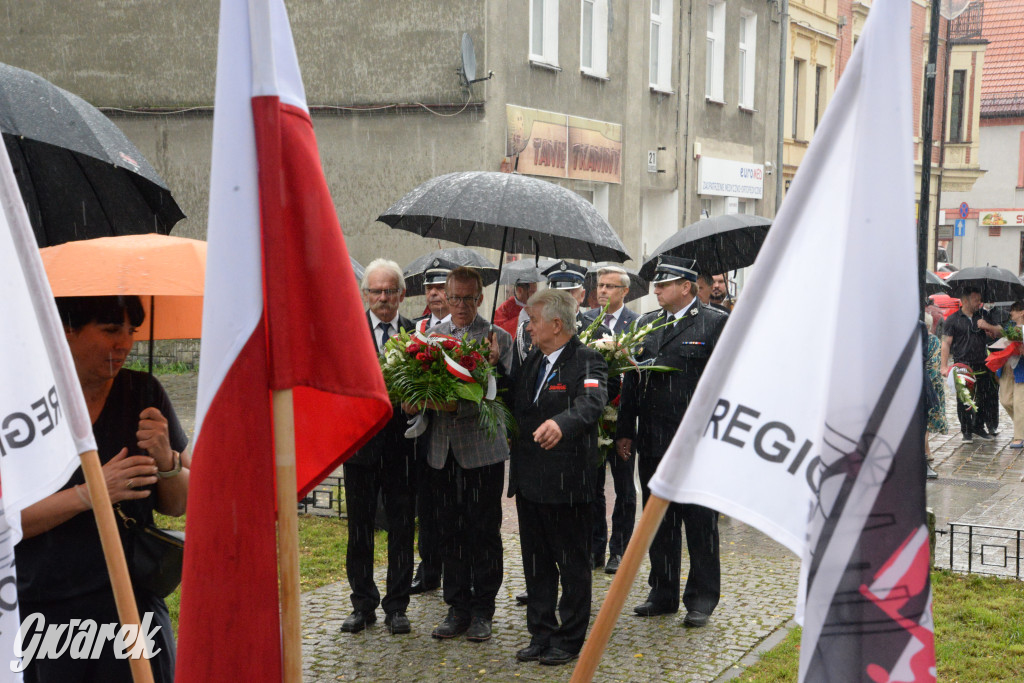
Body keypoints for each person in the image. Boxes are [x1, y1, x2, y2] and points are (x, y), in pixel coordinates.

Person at [17, 295, 189, 683]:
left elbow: (178, 505)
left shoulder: (144, 392)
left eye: (132, 331)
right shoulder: (23, 402)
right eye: (111, 330)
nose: (124, 343)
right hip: (49, 609)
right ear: (68, 329)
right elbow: (11, 522)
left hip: (133, 601)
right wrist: (93, 492)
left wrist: (167, 461)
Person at [615, 255, 727, 628]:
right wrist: (625, 430)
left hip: (696, 443)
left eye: (664, 285)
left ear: (686, 287)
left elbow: (727, 383)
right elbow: (633, 379)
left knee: (699, 522)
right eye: (656, 285)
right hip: (654, 438)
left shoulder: (714, 324)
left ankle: (702, 597)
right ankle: (662, 592)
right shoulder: (647, 324)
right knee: (658, 520)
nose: (657, 290)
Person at [409, 267, 512, 643]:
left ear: (480, 298)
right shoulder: (430, 337)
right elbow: (420, 385)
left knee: (482, 531)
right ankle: (457, 607)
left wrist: (495, 366)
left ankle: (483, 608)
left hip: (482, 452)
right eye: (455, 298)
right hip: (441, 451)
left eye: (469, 299)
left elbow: (505, 397)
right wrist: (415, 401)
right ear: (444, 298)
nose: (461, 305)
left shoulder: (498, 337)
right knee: (447, 530)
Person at [508, 289, 608, 666]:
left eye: (533, 321)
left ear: (555, 323)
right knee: (536, 564)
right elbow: (515, 397)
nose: (528, 328)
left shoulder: (588, 360)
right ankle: (541, 632)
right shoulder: (533, 358)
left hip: (567, 485)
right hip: (530, 483)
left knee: (572, 565)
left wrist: (561, 424)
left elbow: (591, 404)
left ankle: (569, 639)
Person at [341, 259, 417, 635]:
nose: (383, 297)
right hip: (359, 448)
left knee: (402, 528)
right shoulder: (349, 333)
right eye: (376, 291)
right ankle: (362, 603)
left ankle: (397, 606)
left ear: (401, 294)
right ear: (365, 294)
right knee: (359, 530)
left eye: (390, 291)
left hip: (402, 448)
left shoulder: (416, 335)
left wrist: (418, 400)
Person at [580, 266, 639, 574]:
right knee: (593, 486)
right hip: (594, 416)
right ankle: (595, 548)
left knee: (625, 489)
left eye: (610, 287)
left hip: (623, 417)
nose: (602, 291)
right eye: (600, 285)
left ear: (624, 292)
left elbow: (641, 368)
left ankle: (620, 550)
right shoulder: (586, 321)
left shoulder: (638, 323)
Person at [410, 258, 452, 595]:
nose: (435, 293)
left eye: (440, 287)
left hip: (453, 432)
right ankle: (428, 568)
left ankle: (453, 567)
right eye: (430, 288)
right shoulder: (416, 328)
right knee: (426, 506)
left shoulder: (461, 330)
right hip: (422, 435)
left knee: (451, 506)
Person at [940, 286, 1002, 443]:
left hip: (982, 363)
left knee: (983, 397)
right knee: (964, 398)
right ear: (965, 300)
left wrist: (987, 326)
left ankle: (978, 427)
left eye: (980, 299)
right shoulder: (953, 320)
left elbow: (1000, 331)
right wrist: (944, 366)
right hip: (962, 364)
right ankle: (966, 430)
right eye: (976, 299)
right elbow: (946, 343)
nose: (979, 303)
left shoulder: (983, 315)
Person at [997, 301, 1024, 449]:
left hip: (1022, 369)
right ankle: (1022, 427)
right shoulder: (1009, 328)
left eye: (1014, 310)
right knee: (1005, 400)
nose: (1011, 313)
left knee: (1020, 403)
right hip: (1007, 367)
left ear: (1022, 312)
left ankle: (1019, 436)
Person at [923, 313, 944, 479]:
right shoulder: (933, 340)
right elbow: (934, 366)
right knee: (926, 419)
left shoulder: (931, 340)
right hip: (930, 383)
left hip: (927, 382)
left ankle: (926, 451)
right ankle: (926, 451)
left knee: (926, 419)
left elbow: (934, 364)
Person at [412, 257, 452, 334]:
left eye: (441, 287)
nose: (433, 292)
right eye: (429, 288)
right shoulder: (413, 327)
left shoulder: (466, 327)